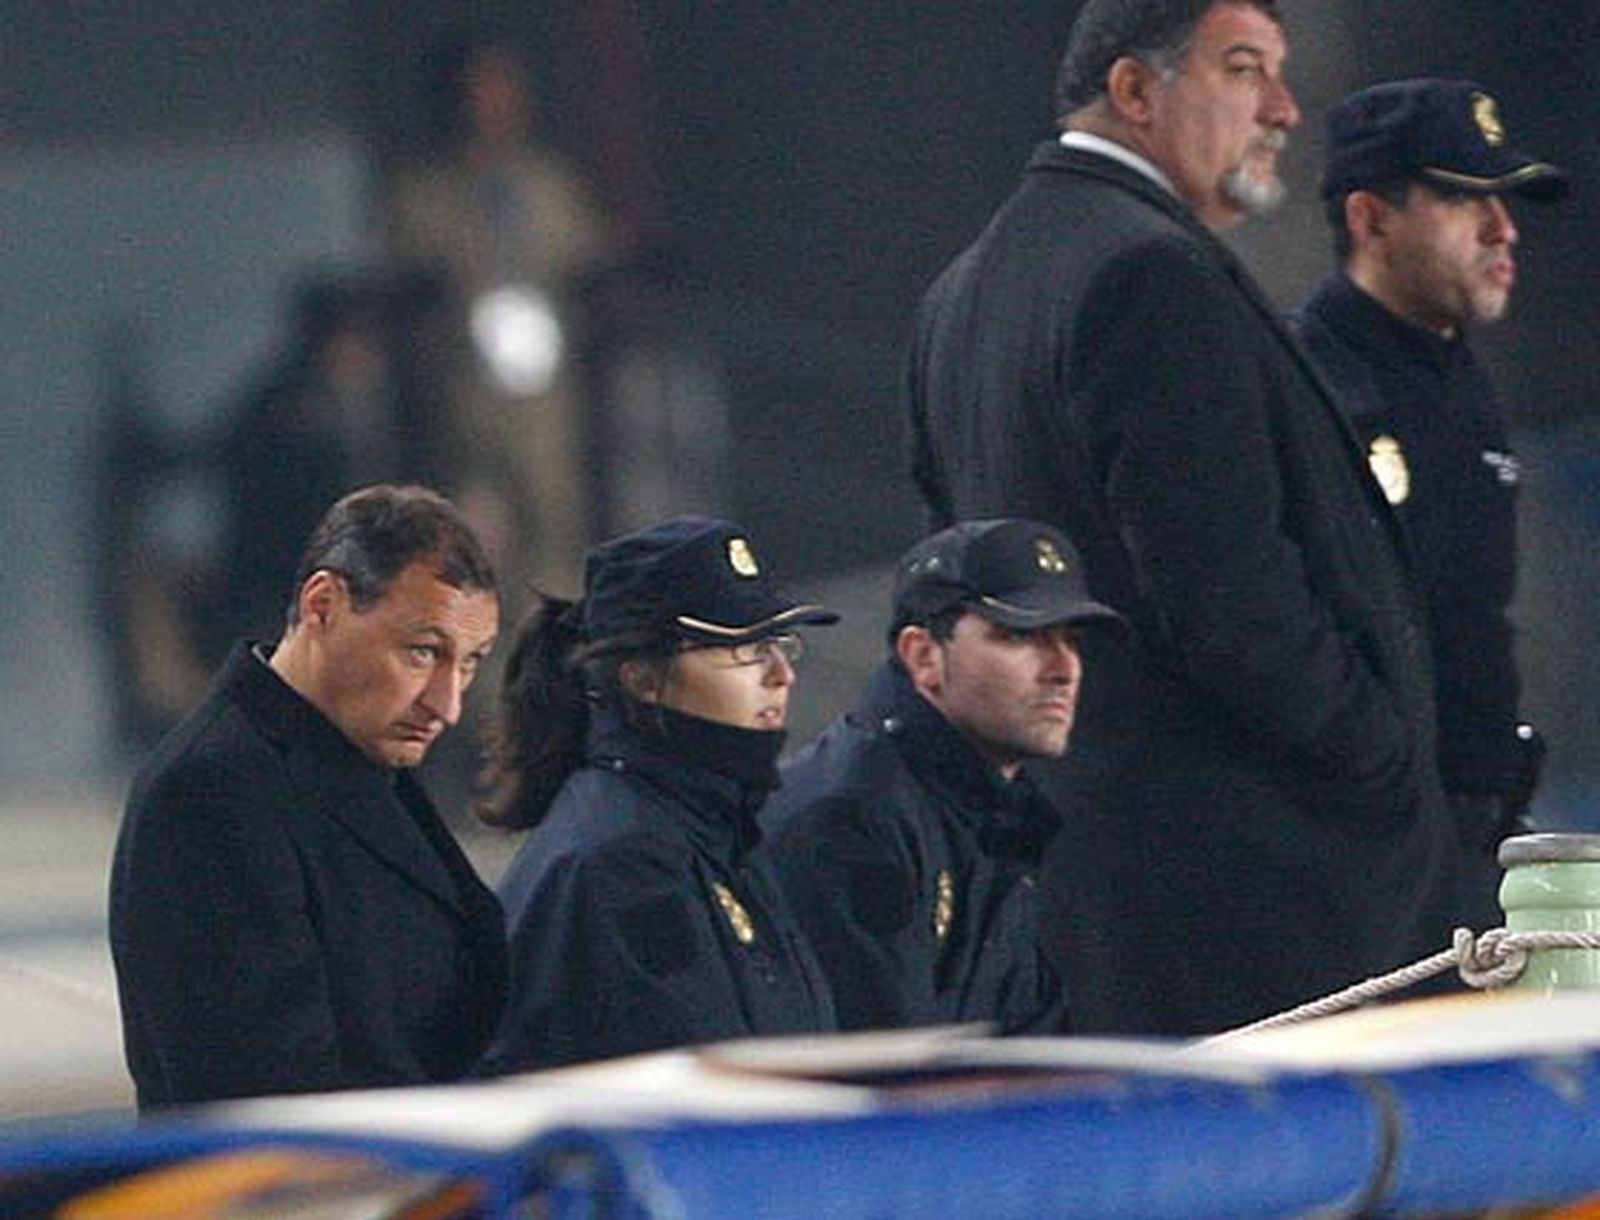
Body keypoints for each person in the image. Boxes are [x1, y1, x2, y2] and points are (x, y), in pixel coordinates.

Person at [905, 0, 1462, 1035]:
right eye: (1244, 70)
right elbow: (1231, 601)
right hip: (1258, 906)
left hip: (1088, 906)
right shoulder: (1146, 272)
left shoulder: (960, 294)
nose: (1285, 109)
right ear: (1133, 90)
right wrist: (1378, 752)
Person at [110, 484, 507, 1109]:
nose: (448, 703)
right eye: (423, 652)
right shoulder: (208, 792)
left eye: (471, 663)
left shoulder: (367, 753)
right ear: (322, 605)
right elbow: (264, 1100)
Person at [1292, 79, 1566, 925]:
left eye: (1507, 201)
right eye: (1464, 199)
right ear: (1372, 218)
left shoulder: (1461, 378)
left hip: (1469, 844)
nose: (1504, 228)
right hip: (1359, 858)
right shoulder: (1307, 379)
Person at [475, 517, 838, 1074]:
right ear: (641, 678)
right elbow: (694, 1085)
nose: (780, 673)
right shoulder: (623, 858)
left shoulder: (715, 825)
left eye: (778, 642)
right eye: (740, 648)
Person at [762, 519, 1126, 1035]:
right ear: (924, 655)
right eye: (1021, 636)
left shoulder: (995, 811)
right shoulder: (850, 820)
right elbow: (881, 1074)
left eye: (1069, 639)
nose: (1063, 668)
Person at [387, 32, 621, 605]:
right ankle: (484, 682)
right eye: (479, 90)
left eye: (502, 89)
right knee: (475, 542)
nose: (492, 104)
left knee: (553, 528)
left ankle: (556, 670)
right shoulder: (423, 195)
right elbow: (406, 282)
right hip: (465, 392)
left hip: (545, 394)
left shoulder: (548, 185)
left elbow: (588, 262)